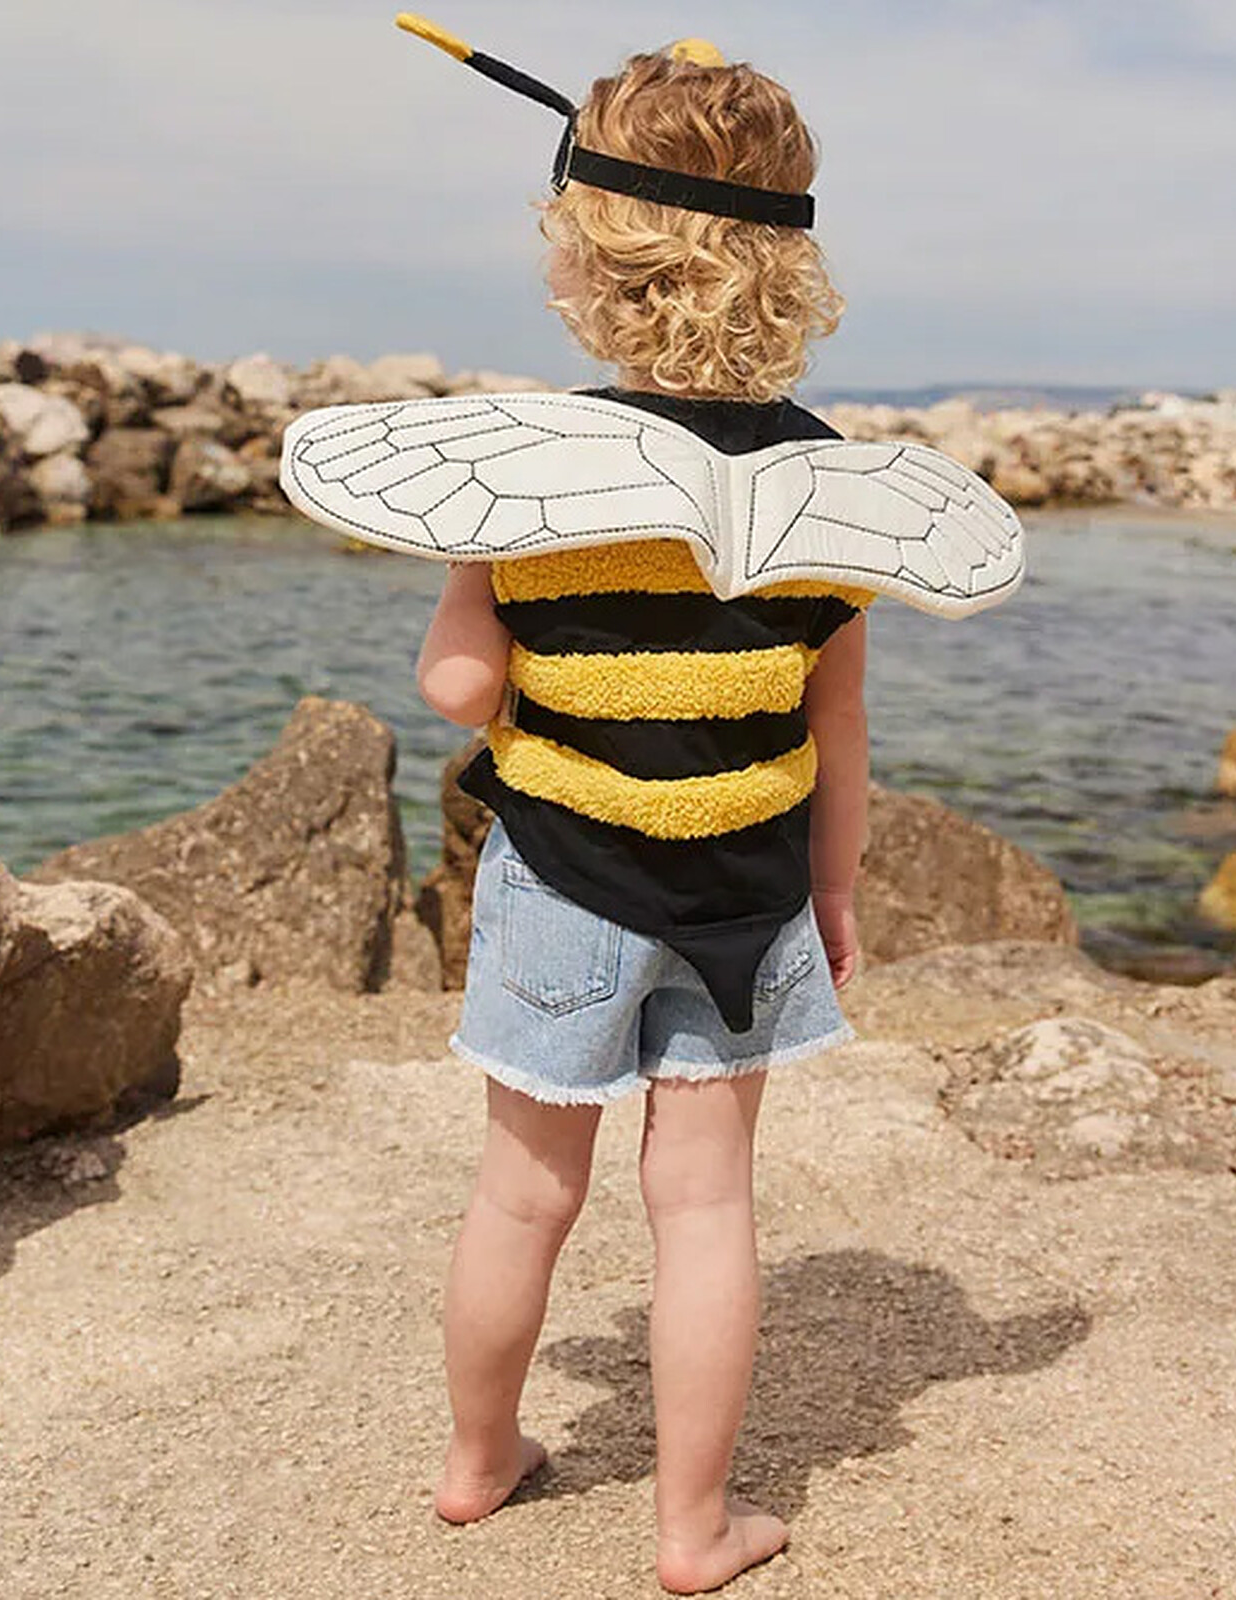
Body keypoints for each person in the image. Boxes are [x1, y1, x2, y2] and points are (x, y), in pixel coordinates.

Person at [413, 44, 869, 1595]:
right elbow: (835, 721)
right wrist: (837, 892)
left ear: (589, 262)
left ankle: (478, 1462)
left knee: (522, 1190)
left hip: (560, 873)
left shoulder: (533, 475)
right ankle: (693, 1528)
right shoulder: (826, 488)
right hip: (746, 890)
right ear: (785, 264)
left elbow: (460, 692)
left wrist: (473, 582)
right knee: (708, 1205)